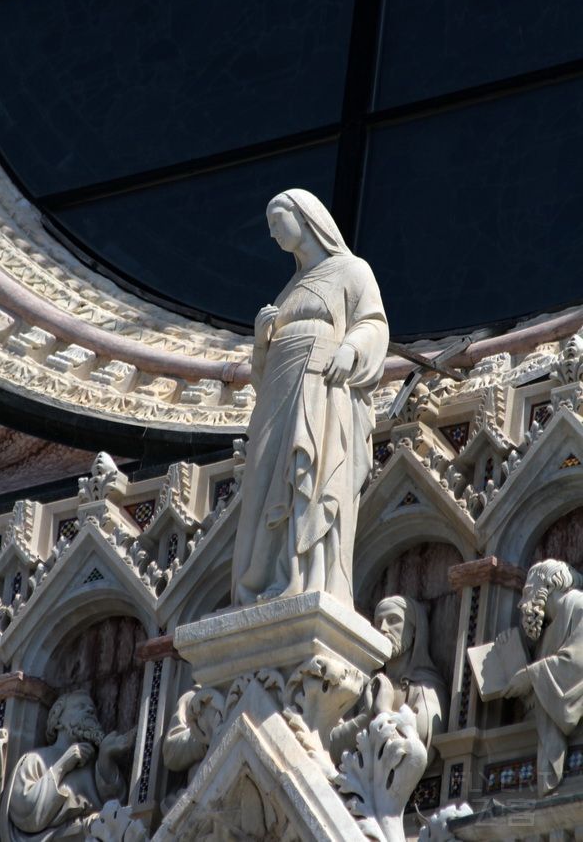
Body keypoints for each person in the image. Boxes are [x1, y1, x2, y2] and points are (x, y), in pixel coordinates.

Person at [231, 189, 388, 607]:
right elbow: (261, 377)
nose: (271, 233)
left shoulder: (351, 271)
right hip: (278, 398)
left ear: (305, 217)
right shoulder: (288, 290)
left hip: (321, 388)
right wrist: (262, 341)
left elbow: (373, 322)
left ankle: (306, 575)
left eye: (276, 221)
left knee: (312, 474)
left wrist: (352, 349)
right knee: (264, 480)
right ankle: (263, 582)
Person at [0, 690, 133, 841]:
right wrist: (64, 764)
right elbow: (26, 814)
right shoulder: (35, 759)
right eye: (81, 706)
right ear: (58, 719)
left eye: (92, 710)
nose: (89, 711)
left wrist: (105, 758)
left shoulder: (93, 766)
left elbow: (117, 805)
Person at [330, 595, 448, 764]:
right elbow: (332, 749)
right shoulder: (366, 684)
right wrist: (366, 716)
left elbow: (420, 749)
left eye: (393, 620)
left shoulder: (425, 685)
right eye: (378, 622)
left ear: (415, 630)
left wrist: (383, 710)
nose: (383, 628)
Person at [503, 558, 583, 795]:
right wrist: (512, 664)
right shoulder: (547, 636)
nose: (521, 603)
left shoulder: (579, 608)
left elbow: (577, 663)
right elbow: (545, 695)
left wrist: (530, 675)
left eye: (527, 591)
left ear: (547, 586)